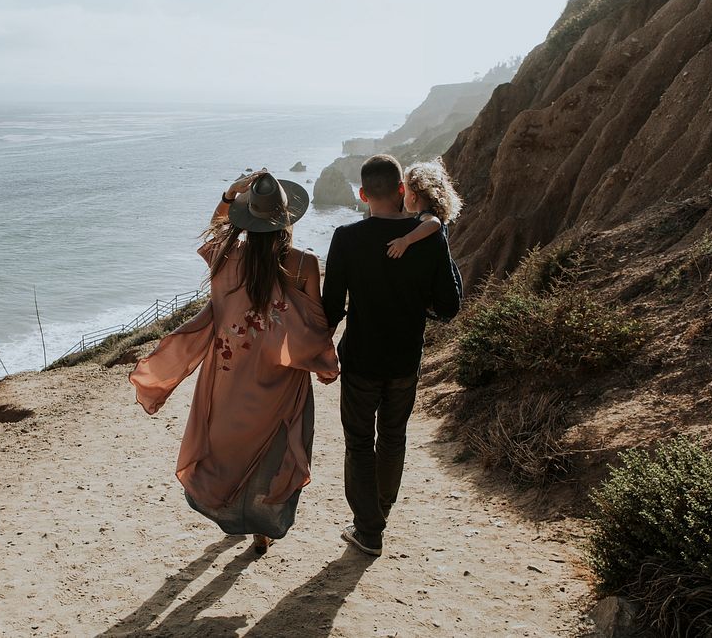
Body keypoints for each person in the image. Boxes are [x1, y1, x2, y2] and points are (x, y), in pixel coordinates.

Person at [130, 170, 339, 555]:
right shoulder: (304, 264)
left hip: (228, 375)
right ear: (286, 218)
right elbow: (315, 325)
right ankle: (261, 528)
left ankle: (232, 514)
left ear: (247, 217)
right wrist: (323, 362)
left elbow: (214, 229)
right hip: (281, 377)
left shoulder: (226, 258)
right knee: (273, 452)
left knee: (229, 448)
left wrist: (229, 195)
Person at [322, 154, 461, 557]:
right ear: (402, 190)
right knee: (393, 437)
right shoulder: (429, 236)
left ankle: (369, 528)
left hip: (362, 359)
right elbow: (449, 306)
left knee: (360, 442)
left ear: (363, 193)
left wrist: (318, 350)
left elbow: (331, 308)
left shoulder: (346, 238)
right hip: (404, 360)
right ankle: (377, 514)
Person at [386, 158, 464, 304]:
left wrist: (405, 241)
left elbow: (434, 224)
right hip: (447, 279)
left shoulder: (427, 217)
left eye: (406, 192)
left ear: (413, 197)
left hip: (442, 287)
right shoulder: (431, 214)